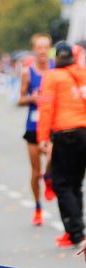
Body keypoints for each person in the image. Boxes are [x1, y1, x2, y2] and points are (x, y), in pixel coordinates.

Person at [37, 42, 86, 249]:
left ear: (56, 58)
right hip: (84, 132)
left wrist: (42, 138)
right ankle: (76, 230)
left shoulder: (52, 76)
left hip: (65, 133)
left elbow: (46, 107)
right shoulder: (82, 74)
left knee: (61, 184)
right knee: (75, 184)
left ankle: (76, 232)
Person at [18, 34, 54, 226]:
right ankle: (38, 207)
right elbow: (20, 99)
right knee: (34, 171)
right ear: (34, 49)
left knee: (52, 158)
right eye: (39, 47)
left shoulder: (56, 69)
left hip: (52, 125)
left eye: (45, 47)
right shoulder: (27, 72)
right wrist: (32, 99)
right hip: (33, 125)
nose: (42, 51)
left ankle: (48, 178)